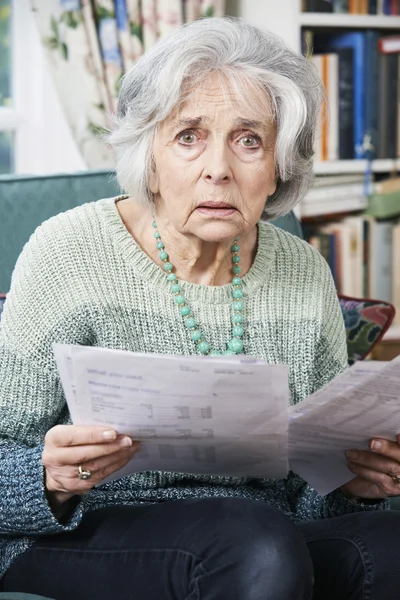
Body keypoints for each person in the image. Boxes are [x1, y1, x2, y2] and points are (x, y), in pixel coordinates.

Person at [0, 16, 399, 600]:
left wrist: (357, 481)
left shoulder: (303, 270)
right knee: (254, 544)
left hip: (267, 534)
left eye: (249, 140)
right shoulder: (68, 253)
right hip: (84, 529)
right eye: (189, 136)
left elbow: (313, 490)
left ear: (279, 165)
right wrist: (49, 476)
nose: (218, 168)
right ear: (151, 155)